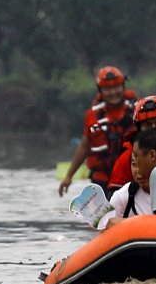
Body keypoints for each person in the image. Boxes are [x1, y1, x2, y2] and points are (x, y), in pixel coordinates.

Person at [58, 66, 138, 197]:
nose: (113, 92)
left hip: (132, 177)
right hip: (102, 180)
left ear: (123, 86)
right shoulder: (93, 116)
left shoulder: (137, 111)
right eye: (107, 89)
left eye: (116, 87)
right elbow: (84, 146)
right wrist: (68, 176)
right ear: (100, 91)